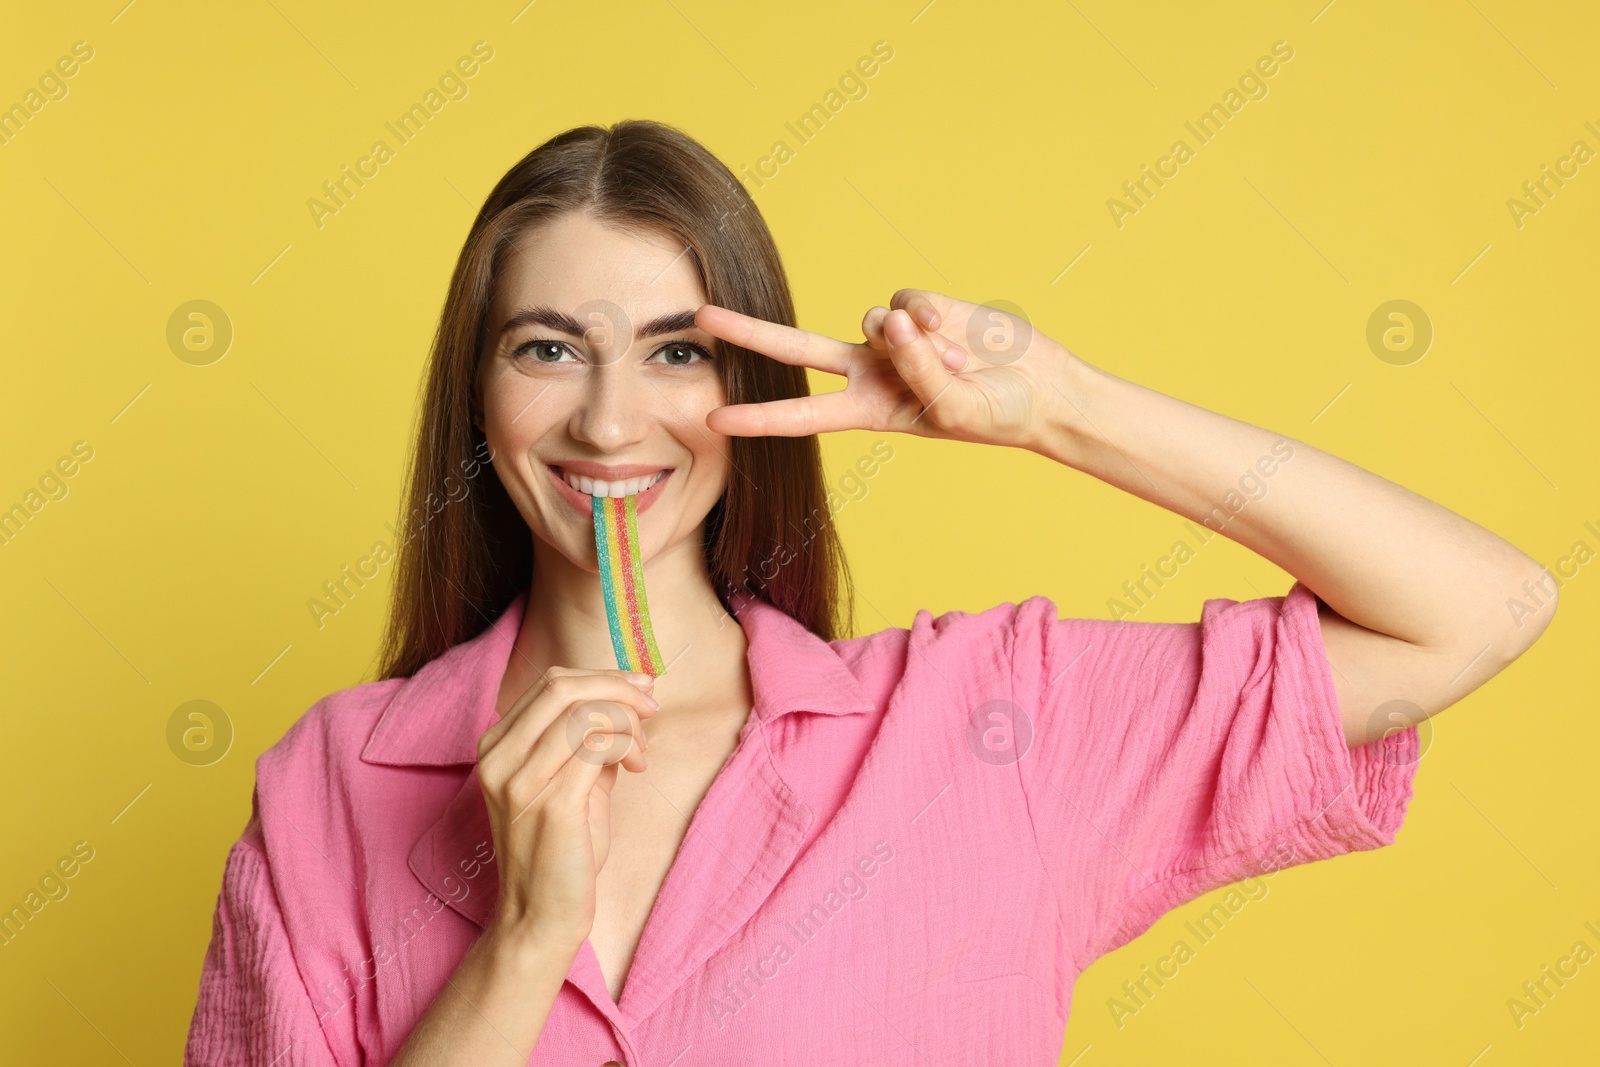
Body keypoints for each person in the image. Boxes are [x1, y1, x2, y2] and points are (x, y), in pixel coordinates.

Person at [183, 119, 1556, 1066]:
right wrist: (522, 943)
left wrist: (1058, 413)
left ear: (755, 391)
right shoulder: (330, 787)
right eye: (549, 348)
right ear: (478, 399)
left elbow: (1480, 608)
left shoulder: (986, 730)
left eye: (677, 354)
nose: (609, 423)